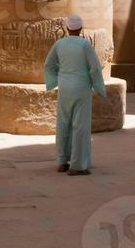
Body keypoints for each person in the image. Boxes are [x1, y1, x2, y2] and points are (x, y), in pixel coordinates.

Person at [44, 14, 107, 176]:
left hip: (64, 86)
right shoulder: (85, 45)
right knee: (80, 125)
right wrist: (99, 87)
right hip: (81, 87)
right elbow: (95, 68)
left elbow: (48, 65)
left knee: (63, 122)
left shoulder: (59, 44)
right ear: (80, 29)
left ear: (67, 28)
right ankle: (78, 165)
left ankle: (62, 161)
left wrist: (55, 80)